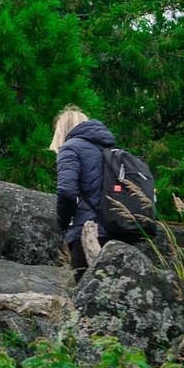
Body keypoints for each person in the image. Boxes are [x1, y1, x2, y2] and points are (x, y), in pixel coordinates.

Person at [52, 106, 125, 269]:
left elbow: (66, 192)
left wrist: (62, 224)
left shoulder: (70, 147)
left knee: (86, 290)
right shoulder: (110, 149)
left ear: (61, 131)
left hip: (88, 232)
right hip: (117, 231)